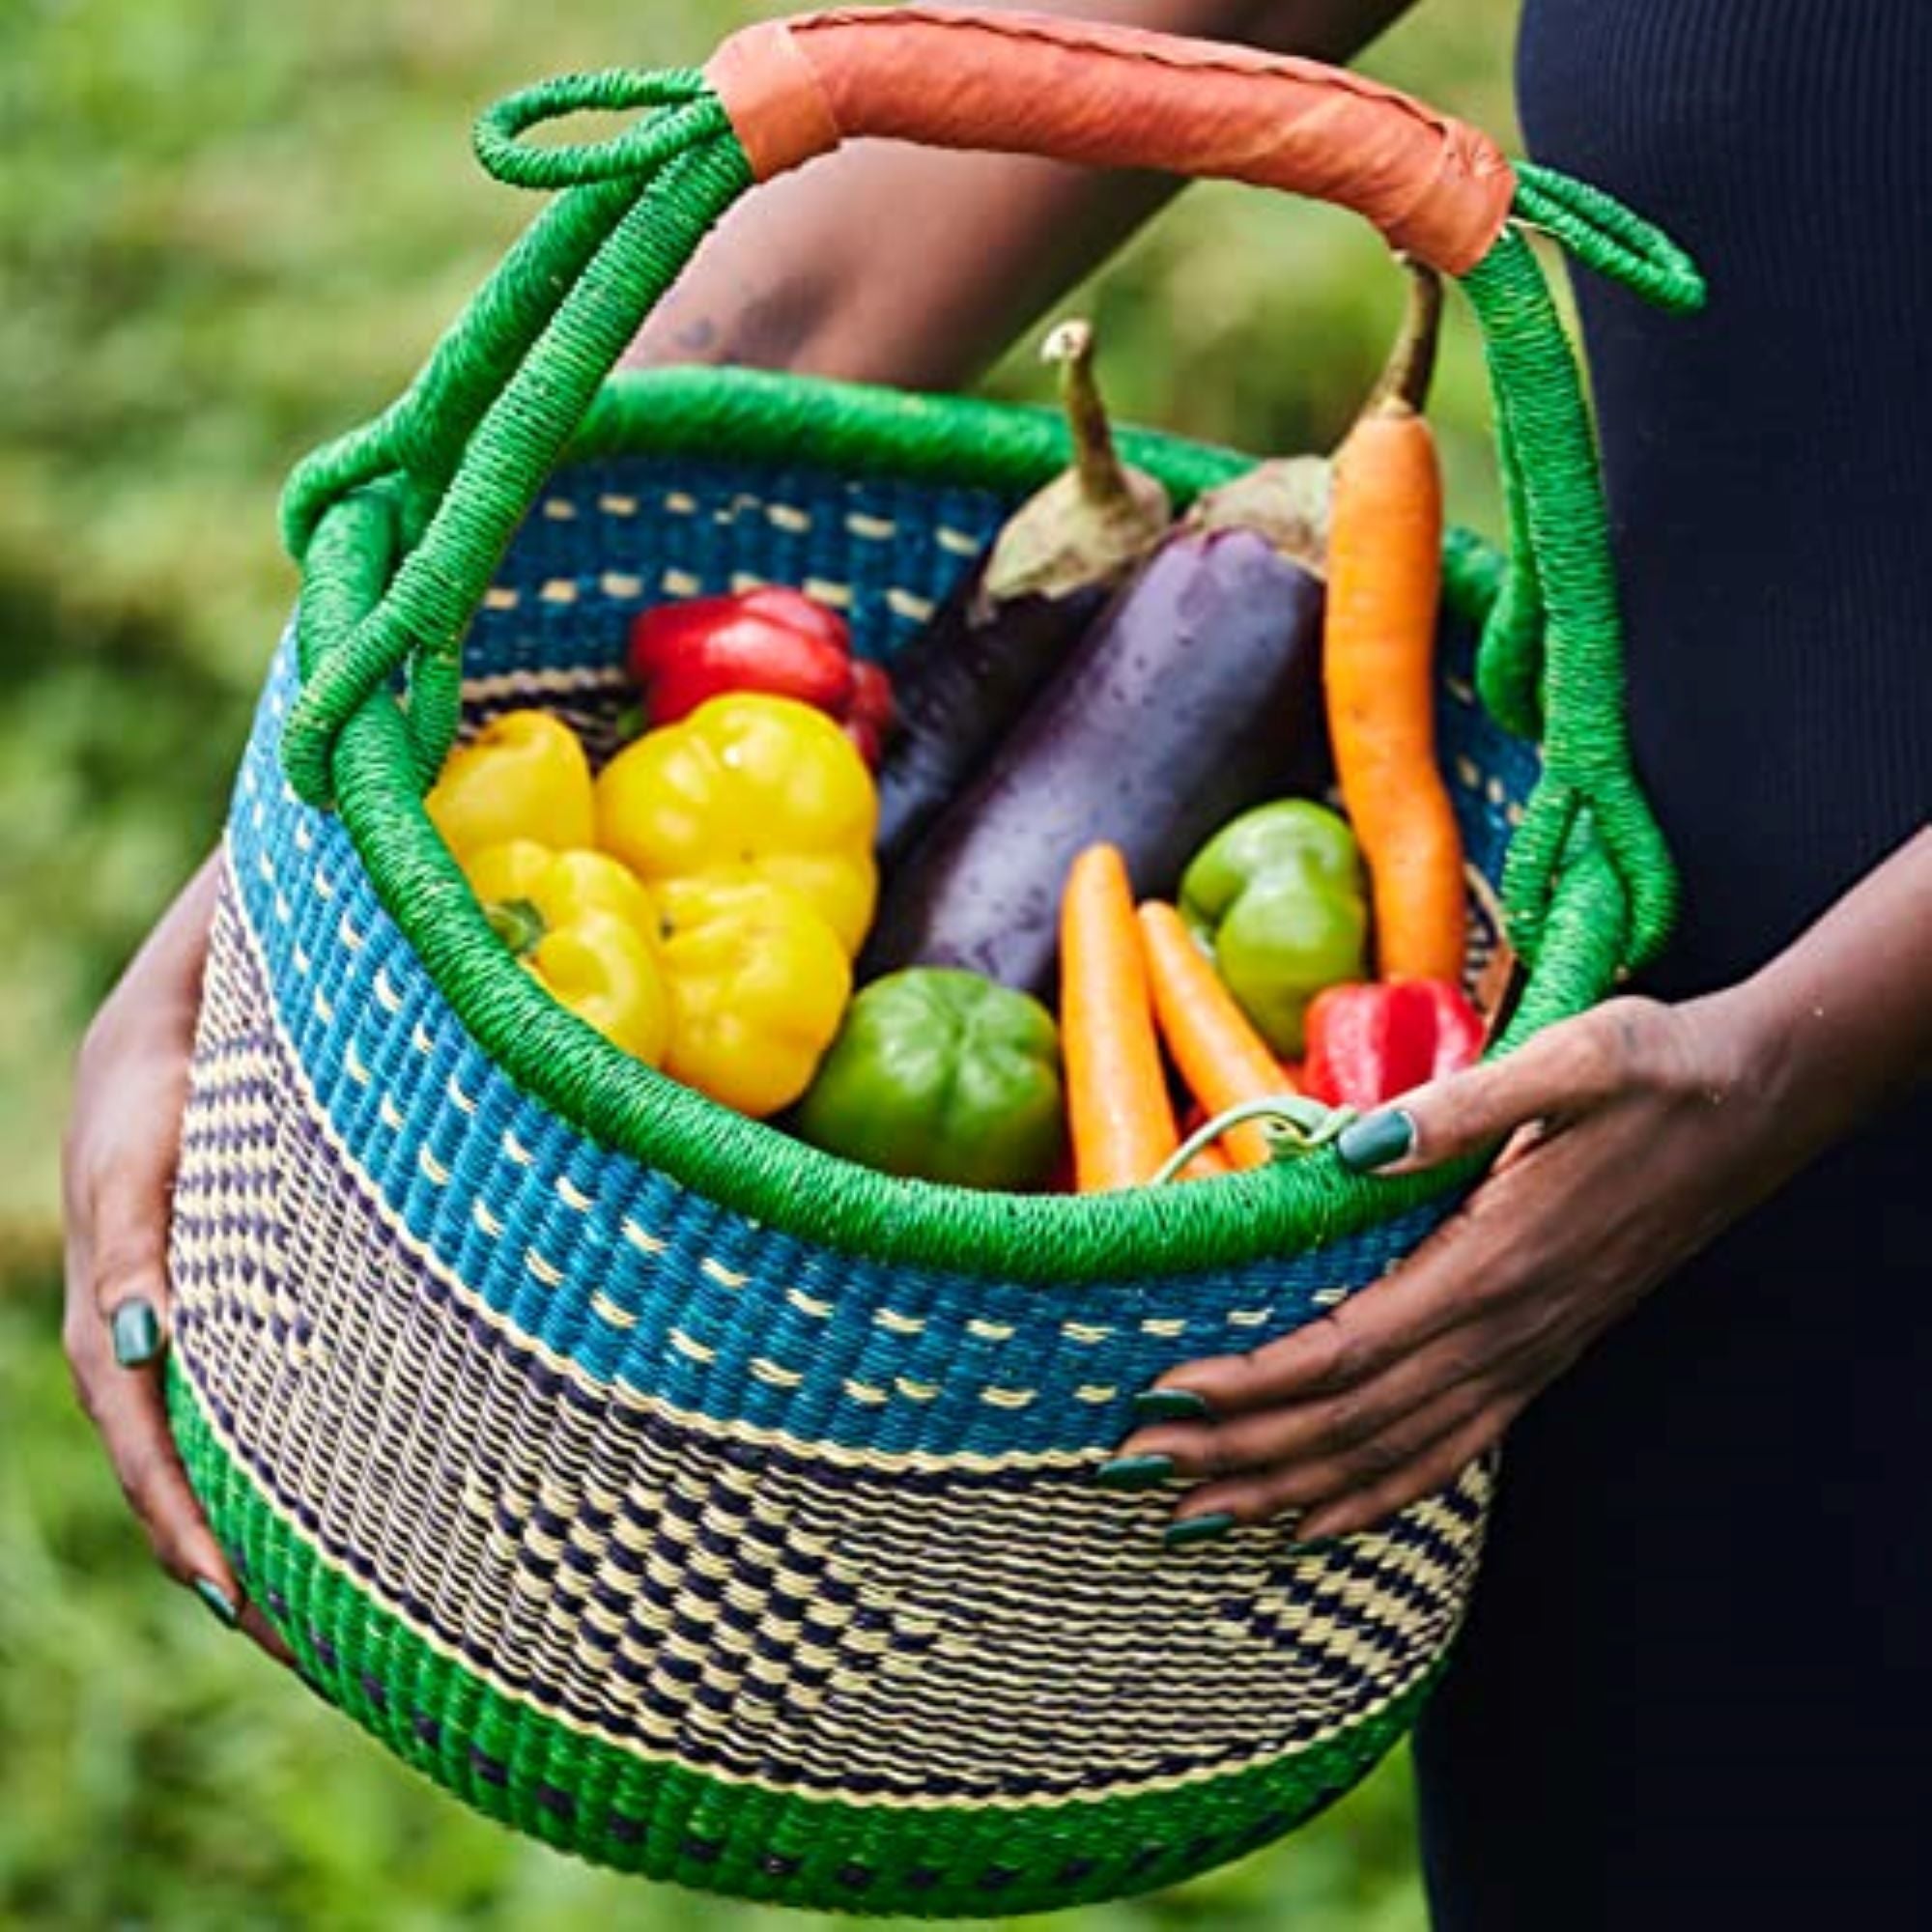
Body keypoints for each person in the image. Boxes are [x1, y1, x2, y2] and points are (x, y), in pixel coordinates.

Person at [62, 1, 1931, 1923]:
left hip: (1721, 1134)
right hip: (1592, 1179)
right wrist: (315, 812)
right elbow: (1071, 53)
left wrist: (1790, 1056)